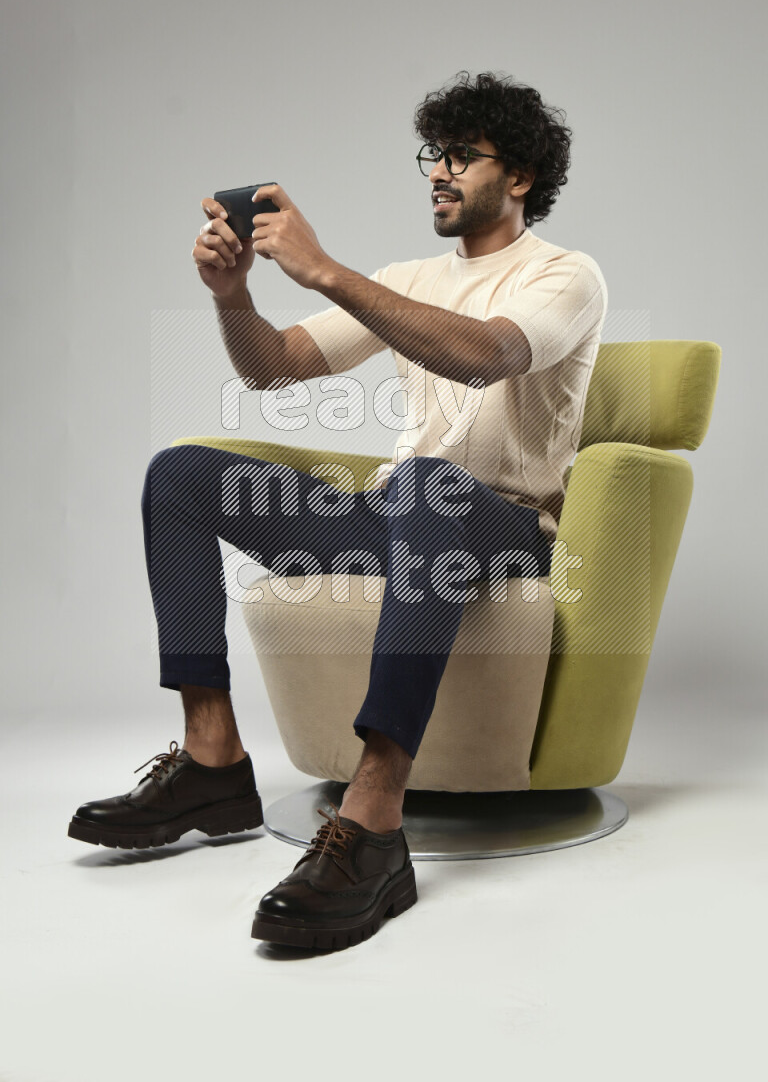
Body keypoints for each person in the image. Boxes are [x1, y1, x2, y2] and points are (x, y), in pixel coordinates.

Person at [67, 69, 608, 952]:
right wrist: (234, 295)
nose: (438, 170)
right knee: (183, 475)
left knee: (433, 491)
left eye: (462, 156)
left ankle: (373, 821)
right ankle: (211, 761)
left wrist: (322, 270)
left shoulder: (565, 277)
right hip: (401, 519)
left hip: (505, 529)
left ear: (518, 178)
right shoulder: (407, 277)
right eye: (432, 153)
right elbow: (270, 365)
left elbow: (482, 357)